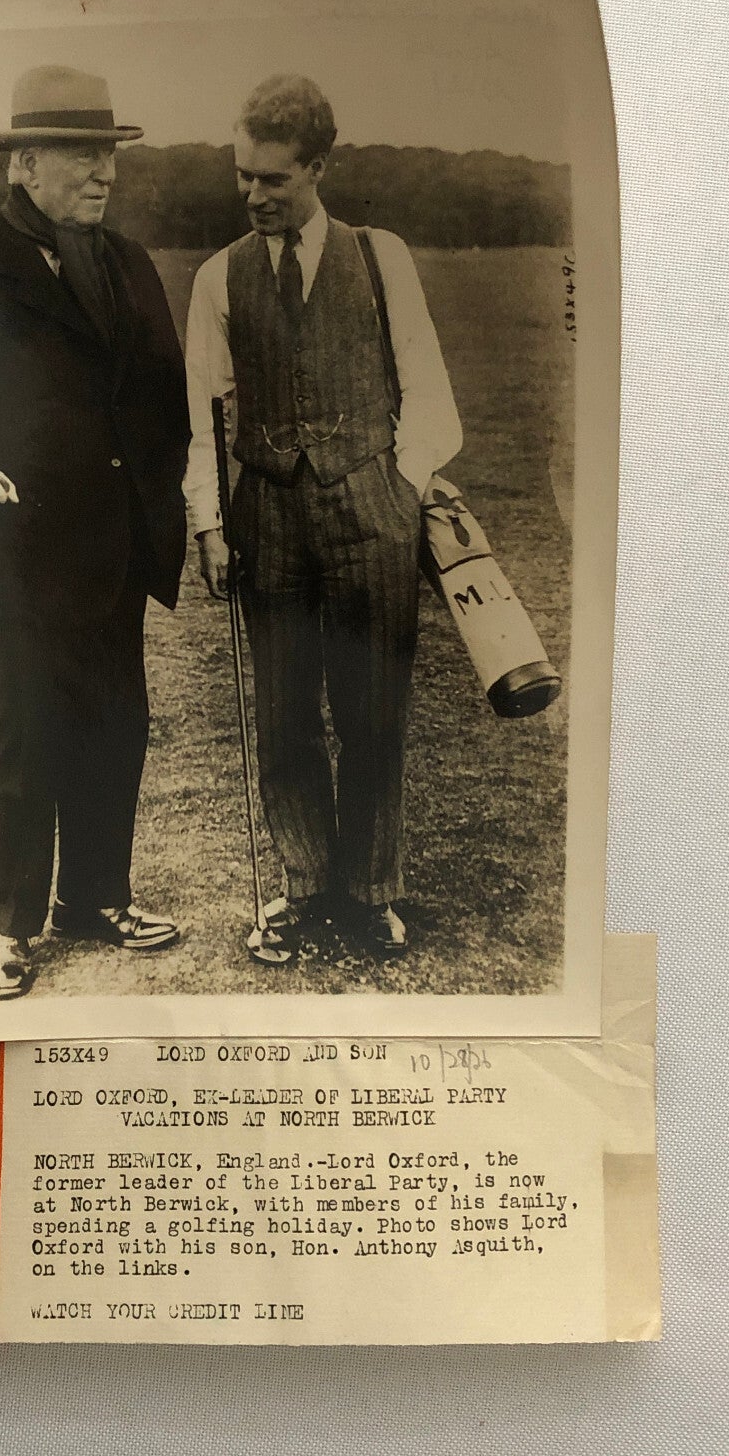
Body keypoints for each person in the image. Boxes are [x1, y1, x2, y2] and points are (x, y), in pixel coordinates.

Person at [0, 64, 190, 999]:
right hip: (21, 550)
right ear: (24, 164)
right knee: (27, 739)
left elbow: (160, 402)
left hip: (116, 547)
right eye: (84, 157)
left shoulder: (128, 262)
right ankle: (9, 923)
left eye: (110, 157)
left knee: (115, 725)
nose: (105, 175)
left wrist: (155, 497)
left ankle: (96, 897)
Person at [184, 74, 463, 962]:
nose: (254, 196)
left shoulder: (382, 257)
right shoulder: (217, 277)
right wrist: (210, 524)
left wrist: (401, 490)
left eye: (273, 179)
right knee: (284, 714)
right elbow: (204, 418)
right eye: (244, 177)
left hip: (370, 510)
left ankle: (373, 892)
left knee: (372, 710)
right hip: (265, 514)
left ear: (318, 166)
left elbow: (429, 396)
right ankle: (303, 888)